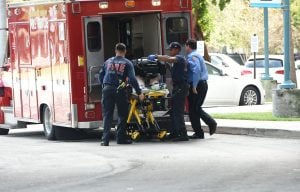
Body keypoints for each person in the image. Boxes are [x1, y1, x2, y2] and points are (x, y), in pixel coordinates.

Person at [99, 43, 144, 146]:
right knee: (122, 114)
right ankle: (120, 139)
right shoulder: (127, 63)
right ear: (125, 51)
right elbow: (132, 79)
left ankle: (105, 140)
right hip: (119, 89)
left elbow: (101, 75)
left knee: (107, 115)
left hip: (106, 89)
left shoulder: (108, 61)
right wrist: (139, 92)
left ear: (115, 51)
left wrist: (104, 86)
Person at [148, 42, 189, 141]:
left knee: (178, 111)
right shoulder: (176, 62)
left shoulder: (180, 58)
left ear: (176, 49)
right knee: (173, 111)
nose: (170, 52)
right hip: (177, 87)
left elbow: (169, 58)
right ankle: (175, 132)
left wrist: (157, 56)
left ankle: (182, 134)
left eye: (171, 50)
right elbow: (168, 60)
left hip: (181, 87)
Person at [185, 39, 217, 139]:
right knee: (193, 109)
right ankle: (198, 132)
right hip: (200, 84)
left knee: (195, 108)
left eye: (186, 46)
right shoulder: (197, 55)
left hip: (198, 85)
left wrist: (194, 86)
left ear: (188, 46)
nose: (185, 48)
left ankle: (211, 123)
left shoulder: (192, 56)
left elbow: (196, 70)